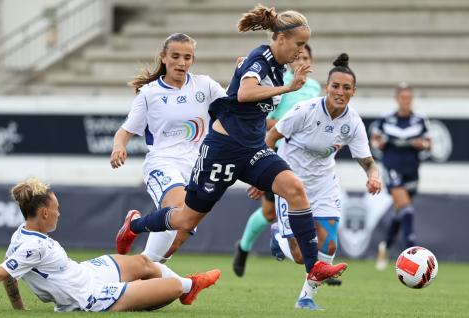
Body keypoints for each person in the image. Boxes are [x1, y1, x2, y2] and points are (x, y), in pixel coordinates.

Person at [116, 4, 348, 295]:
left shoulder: (276, 66)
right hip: (222, 150)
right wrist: (286, 89)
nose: (301, 51)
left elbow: (238, 91)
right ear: (281, 38)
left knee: (294, 188)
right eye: (299, 44)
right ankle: (135, 225)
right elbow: (245, 93)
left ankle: (314, 267)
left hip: (252, 150)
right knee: (185, 219)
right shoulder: (261, 57)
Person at [0, 178, 220, 312]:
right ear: (44, 212)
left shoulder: (20, 235)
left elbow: (10, 273)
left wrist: (19, 310)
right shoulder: (33, 246)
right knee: (173, 287)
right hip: (89, 296)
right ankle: (190, 285)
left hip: (86, 272)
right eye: (56, 208)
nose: (59, 213)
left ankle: (191, 287)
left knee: (143, 262)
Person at [265, 53, 382, 310]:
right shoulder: (304, 110)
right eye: (335, 86)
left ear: (353, 91)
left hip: (324, 185)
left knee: (328, 242)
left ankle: (306, 298)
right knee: (298, 256)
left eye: (346, 88)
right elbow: (271, 137)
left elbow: (367, 160)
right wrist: (264, 174)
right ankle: (278, 236)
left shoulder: (352, 122)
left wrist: (373, 176)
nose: (340, 92)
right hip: (290, 184)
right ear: (327, 86)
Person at [110, 33, 227, 261]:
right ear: (163, 57)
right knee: (178, 208)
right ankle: (138, 239)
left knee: (173, 243)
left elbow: (232, 108)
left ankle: (144, 268)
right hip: (163, 162)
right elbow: (125, 131)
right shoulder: (149, 93)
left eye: (188, 57)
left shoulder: (206, 85)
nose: (182, 63)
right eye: (175, 56)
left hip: (198, 167)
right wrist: (118, 147)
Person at [232, 44, 321, 277]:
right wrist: (288, 126)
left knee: (307, 206)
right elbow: (266, 121)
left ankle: (318, 263)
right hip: (280, 153)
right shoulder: (281, 84)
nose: (301, 60)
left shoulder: (314, 87)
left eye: (306, 57)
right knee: (270, 212)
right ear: (291, 59)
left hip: (306, 157)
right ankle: (243, 247)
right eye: (298, 56)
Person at [372, 82, 431, 270]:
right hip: (392, 167)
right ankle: (412, 256)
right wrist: (379, 143)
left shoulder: (420, 120)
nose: (405, 101)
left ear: (411, 99)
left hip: (412, 169)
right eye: (402, 97)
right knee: (406, 209)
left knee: (401, 212)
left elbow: (430, 143)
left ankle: (386, 245)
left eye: (408, 98)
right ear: (397, 99)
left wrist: (421, 144)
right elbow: (375, 141)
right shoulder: (386, 119)